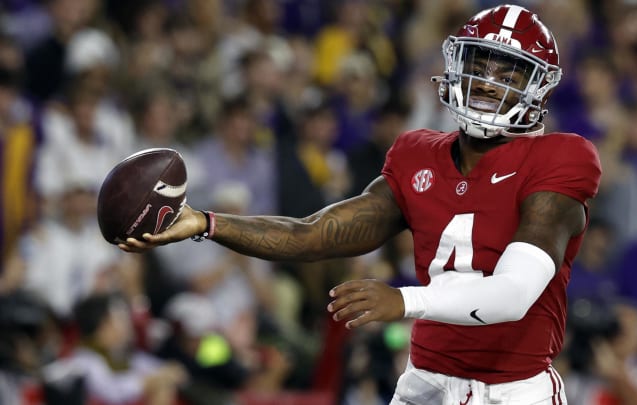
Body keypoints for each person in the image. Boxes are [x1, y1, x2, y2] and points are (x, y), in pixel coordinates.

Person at [122, 4, 601, 404]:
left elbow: (514, 294)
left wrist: (404, 301)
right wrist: (204, 222)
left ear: (539, 87)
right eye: (478, 64)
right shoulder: (418, 154)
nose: (487, 81)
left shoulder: (560, 158)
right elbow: (313, 234)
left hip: (513, 392)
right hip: (426, 382)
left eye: (508, 71)